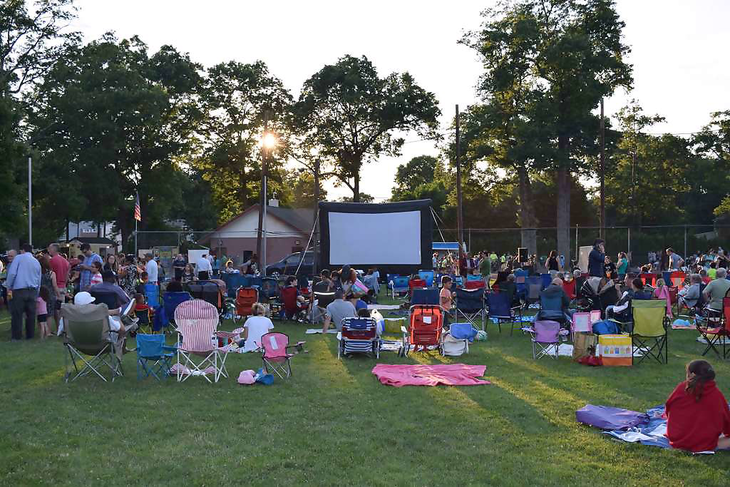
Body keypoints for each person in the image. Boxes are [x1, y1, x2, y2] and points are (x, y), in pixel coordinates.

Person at [665, 360, 730, 452]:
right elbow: (727, 421)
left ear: (691, 375)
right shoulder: (716, 394)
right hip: (703, 443)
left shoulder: (682, 388)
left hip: (677, 439)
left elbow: (668, 407)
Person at [5, 244, 41, 340]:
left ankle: (16, 336)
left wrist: (9, 286)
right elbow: (39, 278)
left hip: (19, 290)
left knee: (17, 314)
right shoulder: (36, 261)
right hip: (32, 290)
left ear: (22, 250)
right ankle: (30, 335)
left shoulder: (18, 258)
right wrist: (37, 291)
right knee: (31, 315)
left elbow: (12, 273)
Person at [39, 255, 62, 332]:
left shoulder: (38, 273)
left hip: (40, 295)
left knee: (41, 314)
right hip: (50, 295)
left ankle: (42, 330)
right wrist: (58, 295)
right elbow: (54, 286)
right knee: (49, 314)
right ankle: (48, 331)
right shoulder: (52, 273)